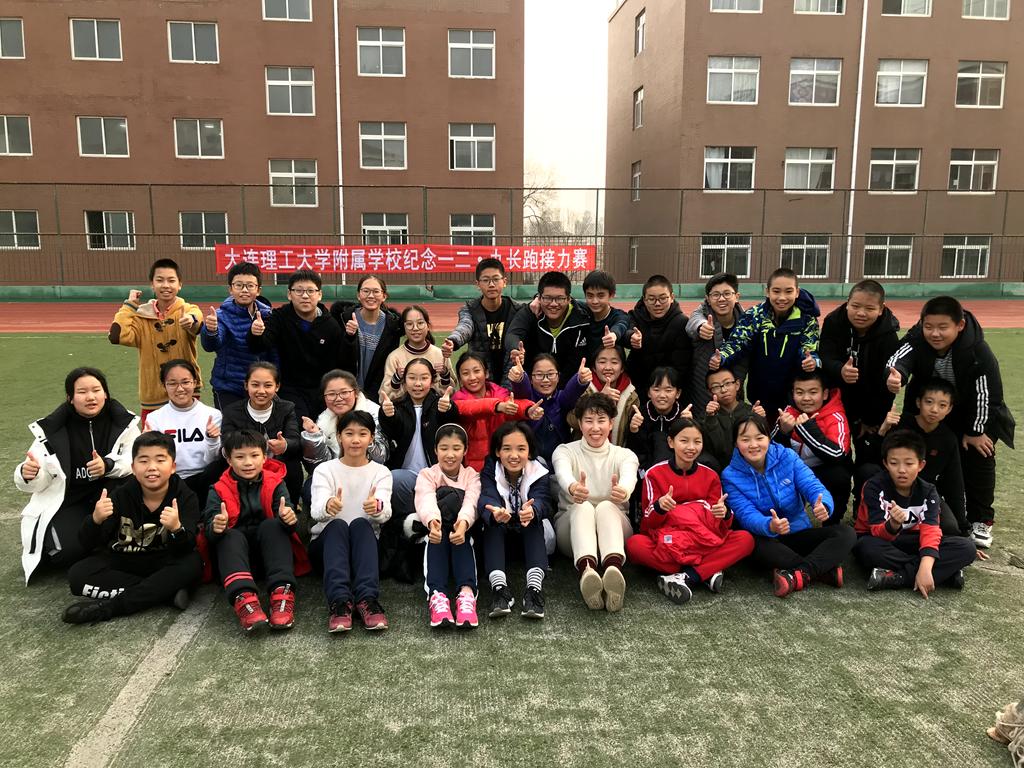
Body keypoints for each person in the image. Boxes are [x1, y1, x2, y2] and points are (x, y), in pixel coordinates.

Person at [886, 295, 1014, 549]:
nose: (935, 333)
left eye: (943, 327)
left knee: (979, 453)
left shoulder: (978, 351)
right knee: (916, 452)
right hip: (928, 407)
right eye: (929, 326)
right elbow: (897, 359)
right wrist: (896, 374)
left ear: (960, 325)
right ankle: (915, 505)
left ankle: (981, 520)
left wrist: (975, 431)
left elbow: (988, 395)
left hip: (973, 413)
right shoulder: (917, 338)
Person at [61, 432, 202, 624]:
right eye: (144, 461)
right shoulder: (120, 495)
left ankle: (109, 608)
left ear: (173, 467)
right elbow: (87, 543)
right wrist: (95, 520)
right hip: (124, 561)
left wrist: (177, 529)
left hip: (164, 562)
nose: (152, 467)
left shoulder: (186, 497)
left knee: (193, 564)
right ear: (133, 468)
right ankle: (165, 593)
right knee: (78, 576)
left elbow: (186, 547)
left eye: (160, 460)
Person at [16, 367, 141, 583]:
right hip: (70, 501)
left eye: (96, 390)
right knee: (62, 555)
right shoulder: (52, 429)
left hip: (111, 495)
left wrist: (108, 465)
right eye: (82, 392)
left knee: (129, 500)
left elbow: (136, 459)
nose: (91, 397)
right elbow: (40, 478)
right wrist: (28, 474)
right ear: (70, 398)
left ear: (105, 394)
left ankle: (107, 544)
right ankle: (99, 546)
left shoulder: (123, 423)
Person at [722, 414, 855, 598]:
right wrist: (770, 525)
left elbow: (812, 485)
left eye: (760, 438)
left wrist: (823, 505)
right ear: (736, 443)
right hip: (768, 539)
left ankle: (799, 573)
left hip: (798, 532)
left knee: (846, 533)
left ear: (768, 438)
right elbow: (746, 515)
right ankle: (822, 571)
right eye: (745, 440)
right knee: (752, 544)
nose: (753, 445)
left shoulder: (787, 456)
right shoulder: (730, 475)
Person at [626, 418, 754, 603]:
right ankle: (706, 571)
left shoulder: (710, 475)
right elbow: (647, 526)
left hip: (703, 541)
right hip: (670, 543)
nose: (691, 447)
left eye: (697, 441)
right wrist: (660, 508)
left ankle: (686, 576)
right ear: (671, 442)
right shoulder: (654, 474)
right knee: (635, 544)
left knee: (745, 539)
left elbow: (721, 526)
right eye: (684, 441)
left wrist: (725, 514)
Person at [203, 429, 310, 632]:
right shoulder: (217, 489)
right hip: (236, 562)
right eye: (240, 457)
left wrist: (289, 520)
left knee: (273, 525)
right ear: (229, 460)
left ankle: (282, 593)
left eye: (254, 455)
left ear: (264, 457)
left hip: (270, 557)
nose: (248, 462)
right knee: (229, 534)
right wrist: (216, 527)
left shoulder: (276, 483)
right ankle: (243, 598)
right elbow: (209, 532)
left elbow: (290, 526)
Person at [854, 430, 976, 595]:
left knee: (967, 548)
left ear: (921, 465)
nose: (901, 470)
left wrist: (925, 566)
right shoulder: (874, 487)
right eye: (894, 463)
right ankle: (945, 574)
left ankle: (898, 577)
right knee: (866, 549)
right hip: (881, 540)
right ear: (885, 464)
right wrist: (893, 525)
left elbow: (930, 530)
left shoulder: (928, 491)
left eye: (909, 463)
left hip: (915, 540)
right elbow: (876, 531)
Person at [552, 393, 639, 612]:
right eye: (589, 421)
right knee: (583, 507)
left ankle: (612, 570)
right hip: (571, 533)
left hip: (615, 531)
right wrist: (573, 487)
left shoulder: (625, 455)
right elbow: (562, 473)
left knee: (606, 507)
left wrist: (623, 491)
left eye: (601, 421)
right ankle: (588, 572)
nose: (595, 428)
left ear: (611, 423)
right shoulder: (564, 451)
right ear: (580, 423)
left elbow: (629, 477)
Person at [309, 411, 393, 632]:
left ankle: (367, 600)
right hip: (326, 549)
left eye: (362, 434)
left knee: (360, 524)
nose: (355, 440)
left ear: (371, 438)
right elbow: (315, 511)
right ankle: (340, 603)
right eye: (349, 433)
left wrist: (376, 508)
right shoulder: (325, 470)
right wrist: (328, 506)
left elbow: (385, 512)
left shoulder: (381, 472)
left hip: (364, 551)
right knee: (337, 525)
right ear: (339, 436)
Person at [378, 359, 460, 578]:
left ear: (432, 381)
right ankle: (411, 532)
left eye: (424, 378)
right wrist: (387, 415)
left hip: (436, 478)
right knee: (393, 479)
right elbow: (391, 430)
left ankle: (426, 532)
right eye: (412, 378)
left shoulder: (440, 403)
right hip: (408, 477)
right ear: (404, 381)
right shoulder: (397, 405)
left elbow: (452, 425)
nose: (417, 383)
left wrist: (447, 410)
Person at [712, 268, 821, 418]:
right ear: (767, 291)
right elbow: (737, 342)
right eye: (776, 291)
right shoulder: (754, 315)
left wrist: (811, 360)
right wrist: (722, 357)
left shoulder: (806, 319)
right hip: (759, 393)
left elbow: (810, 349)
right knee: (760, 430)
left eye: (788, 291)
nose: (782, 297)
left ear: (797, 292)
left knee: (788, 430)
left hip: (792, 395)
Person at [108, 258, 203, 418]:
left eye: (171, 280)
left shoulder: (187, 310)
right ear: (152, 284)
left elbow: (197, 320)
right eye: (160, 280)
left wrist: (191, 320)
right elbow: (117, 336)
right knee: (152, 435)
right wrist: (129, 306)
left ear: (180, 284)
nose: (165, 285)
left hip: (186, 391)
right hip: (152, 394)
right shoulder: (141, 317)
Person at [247, 269, 345, 423]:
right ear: (289, 294)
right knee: (297, 424)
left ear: (319, 294)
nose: (305, 296)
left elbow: (337, 364)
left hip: (321, 389)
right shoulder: (279, 317)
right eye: (299, 291)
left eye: (310, 291)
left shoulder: (331, 325)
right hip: (289, 388)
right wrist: (255, 333)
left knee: (324, 426)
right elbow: (259, 346)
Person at [478, 422, 552, 620]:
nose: (514, 455)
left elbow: (544, 500)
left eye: (521, 449)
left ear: (529, 451)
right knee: (493, 524)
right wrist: (495, 511)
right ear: (497, 451)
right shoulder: (490, 469)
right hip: (501, 537)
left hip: (530, 536)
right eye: (507, 449)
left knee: (533, 522)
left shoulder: (538, 470)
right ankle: (499, 589)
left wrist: (533, 510)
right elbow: (486, 496)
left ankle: (534, 590)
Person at [818, 280, 899, 454]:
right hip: (837, 404)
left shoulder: (888, 335)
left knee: (869, 456)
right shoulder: (833, 322)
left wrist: (870, 420)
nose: (861, 313)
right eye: (855, 306)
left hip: (871, 407)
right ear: (847, 303)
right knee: (837, 454)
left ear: (881, 309)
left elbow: (885, 383)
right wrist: (840, 369)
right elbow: (825, 355)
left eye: (869, 308)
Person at [414, 424, 481, 629]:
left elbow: (471, 502)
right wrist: (432, 522)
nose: (450, 454)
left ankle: (467, 594)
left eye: (456, 448)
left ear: (465, 450)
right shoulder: (427, 474)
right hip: (436, 528)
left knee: (461, 536)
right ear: (435, 450)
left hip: (463, 528)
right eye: (444, 448)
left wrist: (463, 524)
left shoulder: (472, 475)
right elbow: (425, 499)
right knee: (437, 536)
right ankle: (437, 595)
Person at [772, 369, 852, 523]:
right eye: (799, 392)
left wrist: (807, 431)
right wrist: (782, 432)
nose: (806, 398)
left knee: (839, 476)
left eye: (813, 392)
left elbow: (838, 455)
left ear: (825, 394)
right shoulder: (788, 412)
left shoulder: (836, 416)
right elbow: (770, 451)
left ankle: (832, 522)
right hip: (795, 469)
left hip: (824, 470)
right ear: (793, 394)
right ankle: (785, 521)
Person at [220, 362, 303, 507]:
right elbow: (226, 444)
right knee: (215, 468)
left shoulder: (287, 408)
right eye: (255, 385)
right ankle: (225, 507)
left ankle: (290, 507)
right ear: (246, 385)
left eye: (268, 385)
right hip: (244, 462)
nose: (261, 391)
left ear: (277, 387)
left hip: (275, 463)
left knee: (293, 466)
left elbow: (295, 441)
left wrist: (284, 445)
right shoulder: (231, 411)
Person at [143, 359, 222, 507]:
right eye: (172, 383)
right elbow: (154, 461)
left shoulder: (212, 415)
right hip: (170, 480)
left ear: (195, 382)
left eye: (185, 382)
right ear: (164, 386)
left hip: (204, 478)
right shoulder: (154, 418)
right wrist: (147, 445)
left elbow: (213, 461)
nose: (180, 389)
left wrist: (212, 440)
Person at [200, 261, 276, 411]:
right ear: (230, 289)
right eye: (239, 285)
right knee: (231, 426)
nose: (244, 290)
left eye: (250, 286)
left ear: (258, 290)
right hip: (229, 387)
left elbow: (273, 352)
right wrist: (211, 330)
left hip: (260, 386)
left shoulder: (268, 315)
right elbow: (211, 345)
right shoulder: (221, 316)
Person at [452, 352, 539, 471]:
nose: (472, 377)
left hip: (503, 464)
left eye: (477, 371)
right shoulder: (458, 399)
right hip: (474, 469)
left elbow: (513, 404)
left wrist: (528, 409)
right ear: (460, 378)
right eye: (465, 373)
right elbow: (471, 408)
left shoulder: (499, 393)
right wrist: (497, 406)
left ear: (486, 373)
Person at [502, 271, 592, 386]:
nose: (553, 304)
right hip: (535, 385)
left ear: (569, 299)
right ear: (539, 298)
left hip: (570, 387)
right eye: (547, 298)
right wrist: (516, 349)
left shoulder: (582, 317)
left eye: (560, 298)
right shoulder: (531, 312)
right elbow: (513, 334)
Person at [442, 257, 524, 380]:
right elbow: (465, 327)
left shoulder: (518, 310)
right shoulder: (470, 309)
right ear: (478, 284)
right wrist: (453, 341)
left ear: (504, 281)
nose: (491, 284)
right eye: (485, 280)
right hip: (481, 379)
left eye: (496, 279)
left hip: (511, 375)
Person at [509, 352, 591, 467]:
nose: (545, 380)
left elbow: (570, 393)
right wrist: (519, 379)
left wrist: (580, 380)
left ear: (558, 377)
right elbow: (522, 391)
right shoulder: (527, 399)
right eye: (539, 375)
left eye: (551, 374)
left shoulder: (561, 399)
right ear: (531, 379)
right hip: (529, 463)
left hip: (560, 464)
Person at [300, 369, 388, 469]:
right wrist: (314, 436)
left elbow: (381, 458)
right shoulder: (323, 420)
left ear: (356, 392)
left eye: (344, 392)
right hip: (335, 474)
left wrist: (362, 437)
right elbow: (318, 466)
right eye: (331, 394)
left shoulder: (374, 413)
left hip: (370, 473)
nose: (338, 398)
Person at [334, 275, 403, 404]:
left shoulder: (393, 326)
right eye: (366, 291)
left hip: (377, 394)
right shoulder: (342, 319)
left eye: (376, 291)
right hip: (347, 392)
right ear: (358, 295)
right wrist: (349, 337)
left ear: (384, 296)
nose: (371, 296)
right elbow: (338, 359)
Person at [626, 274, 691, 403]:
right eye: (651, 299)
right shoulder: (635, 317)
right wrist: (630, 337)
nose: (657, 304)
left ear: (672, 298)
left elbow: (681, 367)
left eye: (663, 298)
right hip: (638, 386)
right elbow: (625, 330)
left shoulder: (681, 323)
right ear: (644, 300)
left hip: (667, 390)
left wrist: (663, 391)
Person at [687, 273, 745, 412]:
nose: (721, 299)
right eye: (716, 295)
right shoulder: (702, 316)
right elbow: (693, 322)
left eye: (727, 294)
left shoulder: (745, 323)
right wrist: (701, 327)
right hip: (703, 392)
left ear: (737, 296)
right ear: (708, 299)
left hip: (734, 393)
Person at [379, 305, 457, 402]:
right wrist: (396, 380)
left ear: (428, 326)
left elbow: (452, 392)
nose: (415, 328)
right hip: (404, 410)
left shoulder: (440, 355)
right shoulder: (395, 357)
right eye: (409, 324)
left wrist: (445, 376)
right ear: (404, 327)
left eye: (420, 323)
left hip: (435, 409)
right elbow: (383, 397)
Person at [697, 369, 766, 472]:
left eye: (728, 383)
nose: (724, 390)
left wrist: (760, 420)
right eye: (716, 386)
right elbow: (713, 449)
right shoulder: (705, 417)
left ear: (737, 385)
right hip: (719, 471)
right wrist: (710, 418)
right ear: (709, 392)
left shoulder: (751, 411)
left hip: (751, 469)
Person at [574, 345, 639, 447]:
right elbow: (571, 420)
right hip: (584, 452)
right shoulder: (582, 389)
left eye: (614, 362)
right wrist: (599, 399)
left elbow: (633, 437)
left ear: (622, 368)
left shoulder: (631, 396)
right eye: (602, 362)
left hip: (616, 454)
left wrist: (634, 428)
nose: (608, 367)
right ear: (594, 367)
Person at [627, 366, 688, 470]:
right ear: (649, 392)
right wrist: (634, 430)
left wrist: (689, 427)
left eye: (668, 390)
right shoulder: (639, 415)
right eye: (656, 389)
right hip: (644, 467)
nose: (662, 395)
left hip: (676, 467)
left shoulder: (684, 415)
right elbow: (633, 449)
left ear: (678, 393)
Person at [582, 270, 631, 357]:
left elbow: (621, 324)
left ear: (611, 295)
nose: (595, 301)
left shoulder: (618, 315)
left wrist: (614, 334)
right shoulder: (582, 313)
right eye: (590, 295)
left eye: (600, 296)